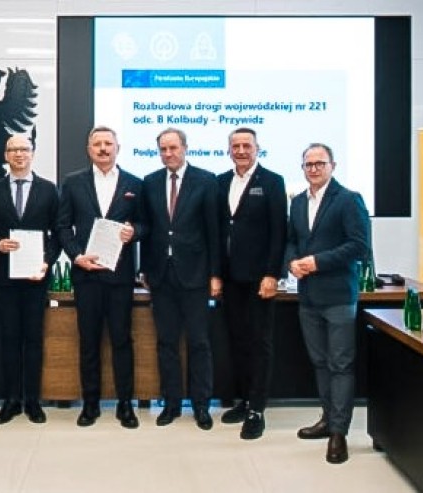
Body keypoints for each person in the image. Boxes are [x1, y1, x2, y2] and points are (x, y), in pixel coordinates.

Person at [284, 143, 370, 464]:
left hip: (338, 296)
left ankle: (339, 433)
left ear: (332, 165)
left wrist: (317, 262)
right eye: (308, 164)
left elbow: (359, 246)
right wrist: (292, 261)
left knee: (340, 364)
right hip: (308, 297)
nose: (314, 169)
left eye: (320, 163)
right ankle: (327, 419)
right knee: (320, 362)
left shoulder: (348, 199)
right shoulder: (297, 202)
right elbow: (292, 240)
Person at [56, 126, 144, 428]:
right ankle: (90, 404)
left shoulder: (135, 183)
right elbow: (63, 226)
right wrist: (76, 255)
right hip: (87, 275)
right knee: (89, 341)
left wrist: (134, 232)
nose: (103, 148)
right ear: (89, 149)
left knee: (122, 340)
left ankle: (125, 404)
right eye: (97, 144)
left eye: (108, 143)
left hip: (120, 277)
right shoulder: (72, 182)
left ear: (118, 147)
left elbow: (146, 224)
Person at [141, 127, 220, 430]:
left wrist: (215, 274)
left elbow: (214, 231)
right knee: (166, 342)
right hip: (161, 276)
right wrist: (145, 269)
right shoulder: (150, 182)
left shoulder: (206, 180)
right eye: (163, 149)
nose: (168, 154)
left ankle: (201, 405)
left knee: (199, 342)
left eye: (173, 148)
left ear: (185, 148)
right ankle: (171, 403)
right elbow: (147, 229)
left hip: (196, 275)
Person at [216, 128, 287, 440]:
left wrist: (273, 274)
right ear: (229, 150)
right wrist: (216, 273)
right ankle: (244, 400)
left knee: (260, 343)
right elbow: (218, 230)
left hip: (260, 279)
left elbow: (279, 232)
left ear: (258, 148)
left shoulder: (272, 182)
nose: (241, 150)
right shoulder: (220, 182)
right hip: (230, 278)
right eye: (236, 146)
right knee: (237, 341)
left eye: (247, 145)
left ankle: (257, 409)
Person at [0, 134, 61, 425]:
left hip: (35, 276)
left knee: (33, 339)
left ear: (32, 153)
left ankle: (32, 401)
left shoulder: (49, 190)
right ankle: (11, 400)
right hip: (5, 278)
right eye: (13, 149)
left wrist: (47, 261)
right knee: (9, 339)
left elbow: (58, 233)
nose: (19, 154)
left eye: (24, 149)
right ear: (5, 155)